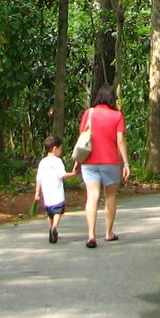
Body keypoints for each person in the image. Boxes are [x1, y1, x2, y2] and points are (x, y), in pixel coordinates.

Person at [72, 84, 131, 248]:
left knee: (92, 197)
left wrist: (77, 161)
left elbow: (83, 139)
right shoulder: (117, 116)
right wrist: (126, 163)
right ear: (112, 99)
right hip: (110, 161)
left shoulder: (89, 113)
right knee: (110, 196)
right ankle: (108, 233)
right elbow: (120, 140)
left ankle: (91, 235)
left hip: (89, 162)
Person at [34, 135, 73, 243]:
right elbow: (62, 175)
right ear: (55, 149)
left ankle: (50, 228)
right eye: (60, 148)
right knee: (57, 212)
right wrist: (73, 174)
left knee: (50, 213)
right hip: (57, 192)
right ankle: (55, 227)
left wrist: (37, 192)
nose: (61, 151)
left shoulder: (43, 162)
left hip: (47, 193)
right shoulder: (57, 161)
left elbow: (39, 178)